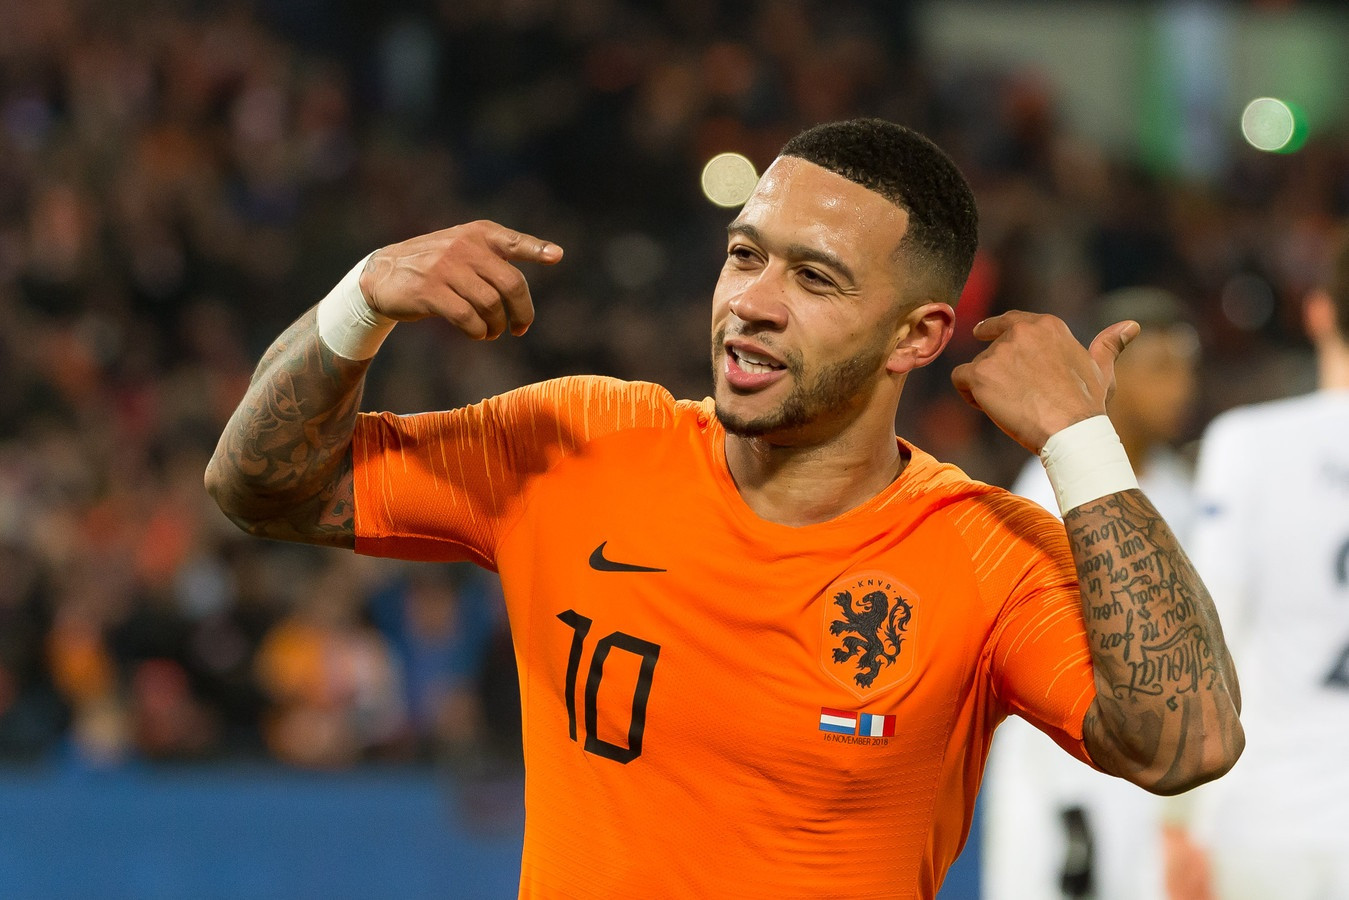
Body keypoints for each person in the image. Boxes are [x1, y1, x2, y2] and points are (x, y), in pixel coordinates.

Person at [206, 119, 1243, 897]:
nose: (751, 301)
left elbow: (1184, 743)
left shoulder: (981, 551)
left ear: (918, 336)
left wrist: (1078, 440)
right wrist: (359, 301)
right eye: (745, 254)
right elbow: (260, 485)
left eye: (814, 278)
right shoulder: (574, 444)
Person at [983, 288, 1203, 900]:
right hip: (1062, 789)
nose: (1181, 388)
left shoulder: (1184, 492)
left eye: (1187, 369)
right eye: (1161, 369)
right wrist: (1069, 809)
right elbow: (1032, 669)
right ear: (1111, 378)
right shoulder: (1047, 493)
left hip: (1148, 784)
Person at [1184, 227, 1349, 900]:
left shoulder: (1247, 443)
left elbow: (1204, 635)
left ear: (1318, 310)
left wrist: (1179, 821)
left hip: (1267, 822)